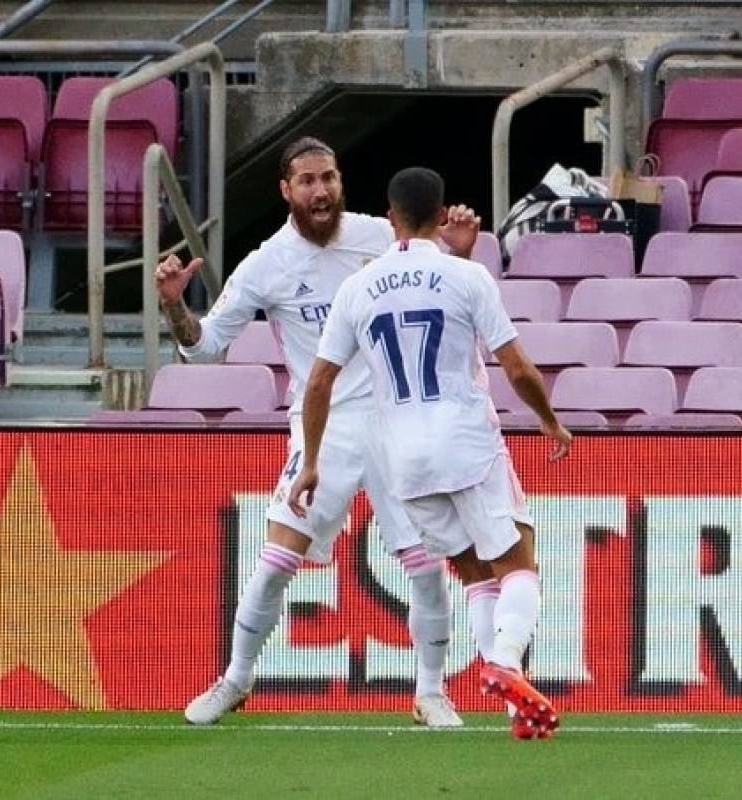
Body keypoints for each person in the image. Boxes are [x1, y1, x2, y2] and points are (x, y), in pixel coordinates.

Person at [162, 138, 482, 727]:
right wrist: (175, 310)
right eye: (307, 181)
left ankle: (431, 692)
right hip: (323, 429)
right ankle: (236, 678)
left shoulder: (381, 237)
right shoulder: (266, 265)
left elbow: (445, 290)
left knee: (426, 564)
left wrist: (457, 254)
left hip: (396, 422)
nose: (320, 191)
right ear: (286, 190)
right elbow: (204, 349)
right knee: (275, 560)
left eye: (329, 178)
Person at [287, 167, 573, 740]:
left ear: (390, 217)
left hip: (403, 459)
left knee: (474, 574)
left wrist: (311, 461)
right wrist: (549, 421)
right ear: (443, 216)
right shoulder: (467, 277)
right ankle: (508, 664)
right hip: (466, 440)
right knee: (519, 565)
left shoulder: (358, 286)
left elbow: (318, 383)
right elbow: (516, 367)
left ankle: (513, 703)